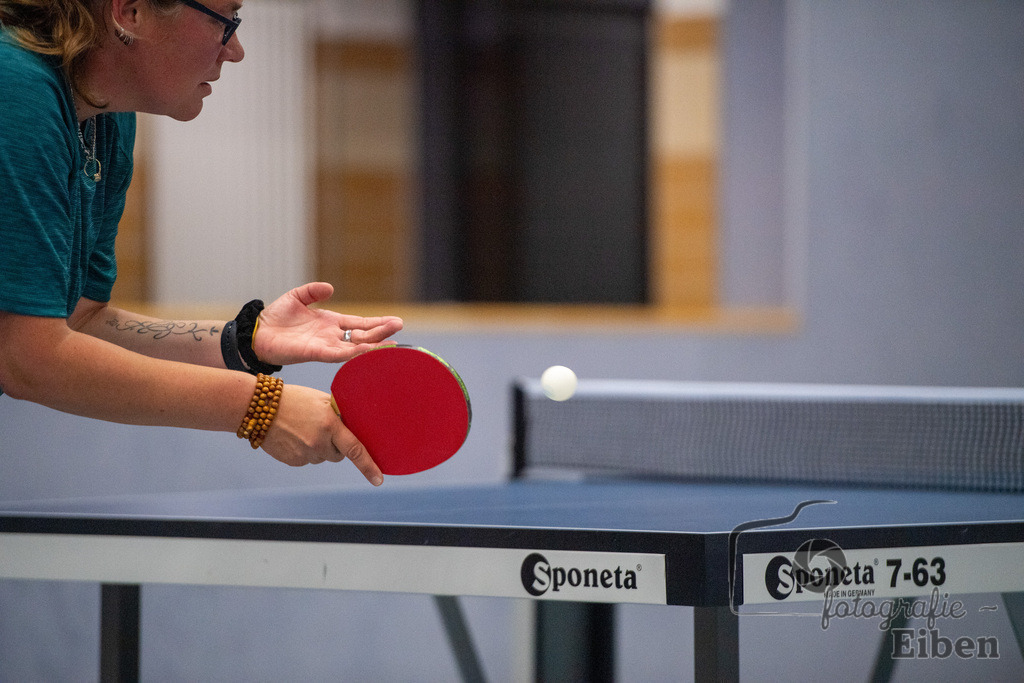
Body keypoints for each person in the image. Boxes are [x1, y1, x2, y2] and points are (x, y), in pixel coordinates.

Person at [0, 0, 403, 485]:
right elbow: (25, 357)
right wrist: (259, 407)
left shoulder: (106, 118)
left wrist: (242, 341)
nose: (235, 50)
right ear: (129, 13)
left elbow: (79, 321)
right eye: (224, 22)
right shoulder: (15, 88)